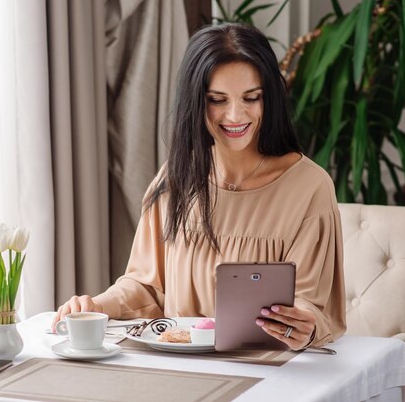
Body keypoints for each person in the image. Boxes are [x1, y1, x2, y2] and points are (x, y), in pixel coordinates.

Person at [52, 23, 346, 350]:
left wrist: (302, 324)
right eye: (217, 100)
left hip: (268, 370)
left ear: (269, 99)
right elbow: (146, 287)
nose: (235, 115)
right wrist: (97, 306)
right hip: (178, 368)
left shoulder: (308, 188)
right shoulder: (176, 177)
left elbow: (308, 305)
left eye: (251, 98)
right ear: (196, 102)